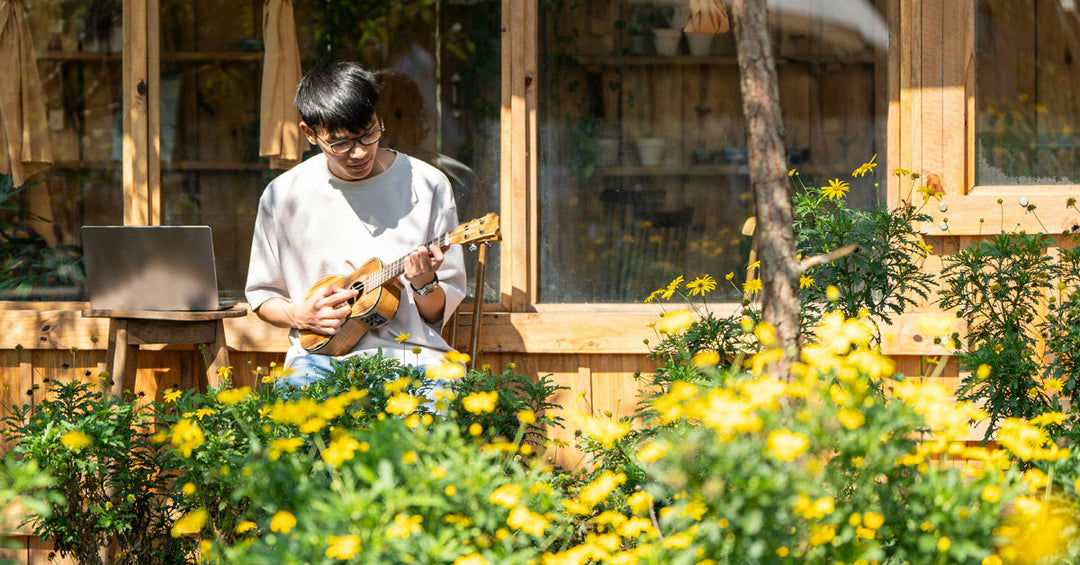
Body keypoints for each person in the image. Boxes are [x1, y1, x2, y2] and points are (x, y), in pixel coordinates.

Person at [245, 61, 466, 387]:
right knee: (293, 424)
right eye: (340, 143)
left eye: (368, 134)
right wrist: (300, 315)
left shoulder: (428, 185)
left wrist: (424, 282)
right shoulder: (282, 196)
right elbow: (263, 296)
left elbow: (436, 313)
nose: (359, 152)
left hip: (415, 358)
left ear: (379, 118)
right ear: (309, 133)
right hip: (318, 360)